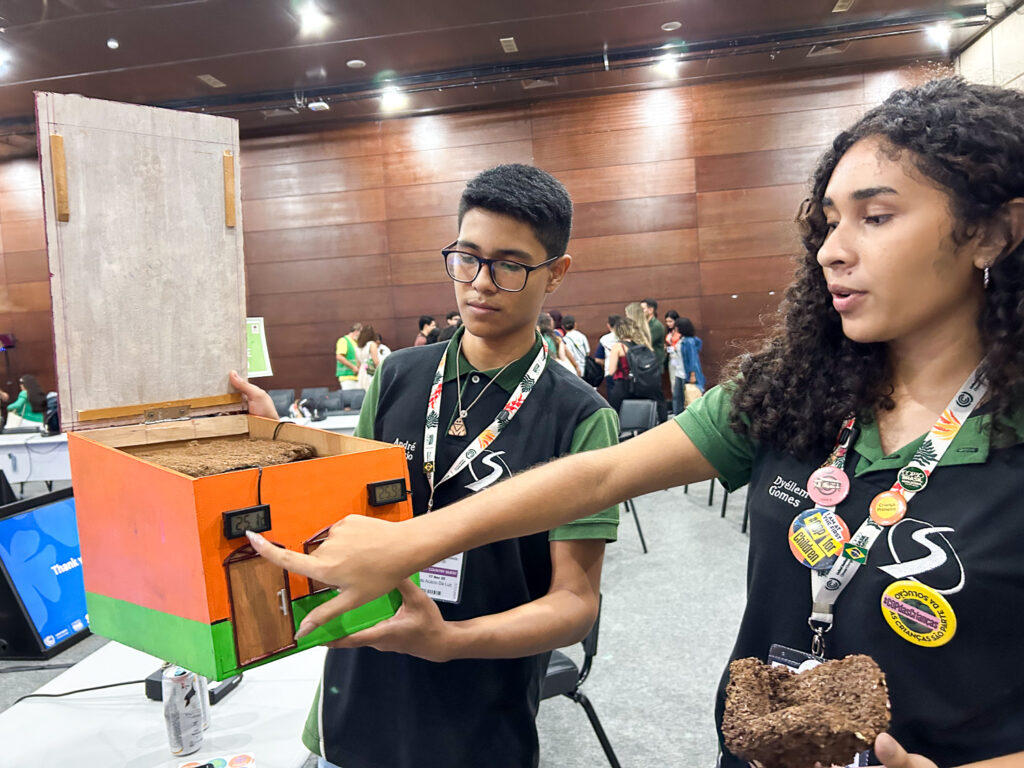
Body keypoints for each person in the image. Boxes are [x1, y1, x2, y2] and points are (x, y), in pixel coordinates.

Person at [241, 78, 1024, 768]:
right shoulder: (794, 390)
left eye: (876, 218)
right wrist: (396, 531)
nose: (832, 252)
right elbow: (606, 474)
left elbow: (576, 574)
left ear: (991, 233)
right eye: (828, 222)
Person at [233, 163, 619, 768]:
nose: (480, 283)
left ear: (556, 273)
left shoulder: (579, 417)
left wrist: (448, 642)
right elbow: (342, 512)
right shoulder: (397, 376)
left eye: (510, 266)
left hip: (480, 699)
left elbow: (574, 603)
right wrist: (270, 439)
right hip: (358, 685)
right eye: (467, 257)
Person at [605, 316, 655, 412]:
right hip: (639, 385)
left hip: (622, 385)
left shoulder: (618, 347)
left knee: (618, 414)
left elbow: (611, 371)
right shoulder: (640, 344)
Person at [667, 314, 705, 415]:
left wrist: (692, 375)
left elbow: (693, 359)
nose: (675, 328)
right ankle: (678, 416)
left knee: (686, 397)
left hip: (686, 374)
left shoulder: (689, 342)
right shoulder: (682, 340)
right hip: (679, 372)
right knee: (677, 397)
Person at [596, 313, 621, 394]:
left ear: (608, 325)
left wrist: (607, 364)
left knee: (613, 402)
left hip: (610, 373)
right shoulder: (626, 337)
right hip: (625, 374)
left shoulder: (604, 339)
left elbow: (598, 359)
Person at [354, 324, 380, 391]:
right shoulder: (372, 344)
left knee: (362, 393)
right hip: (370, 371)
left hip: (362, 372)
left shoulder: (357, 347)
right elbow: (376, 361)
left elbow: (358, 364)